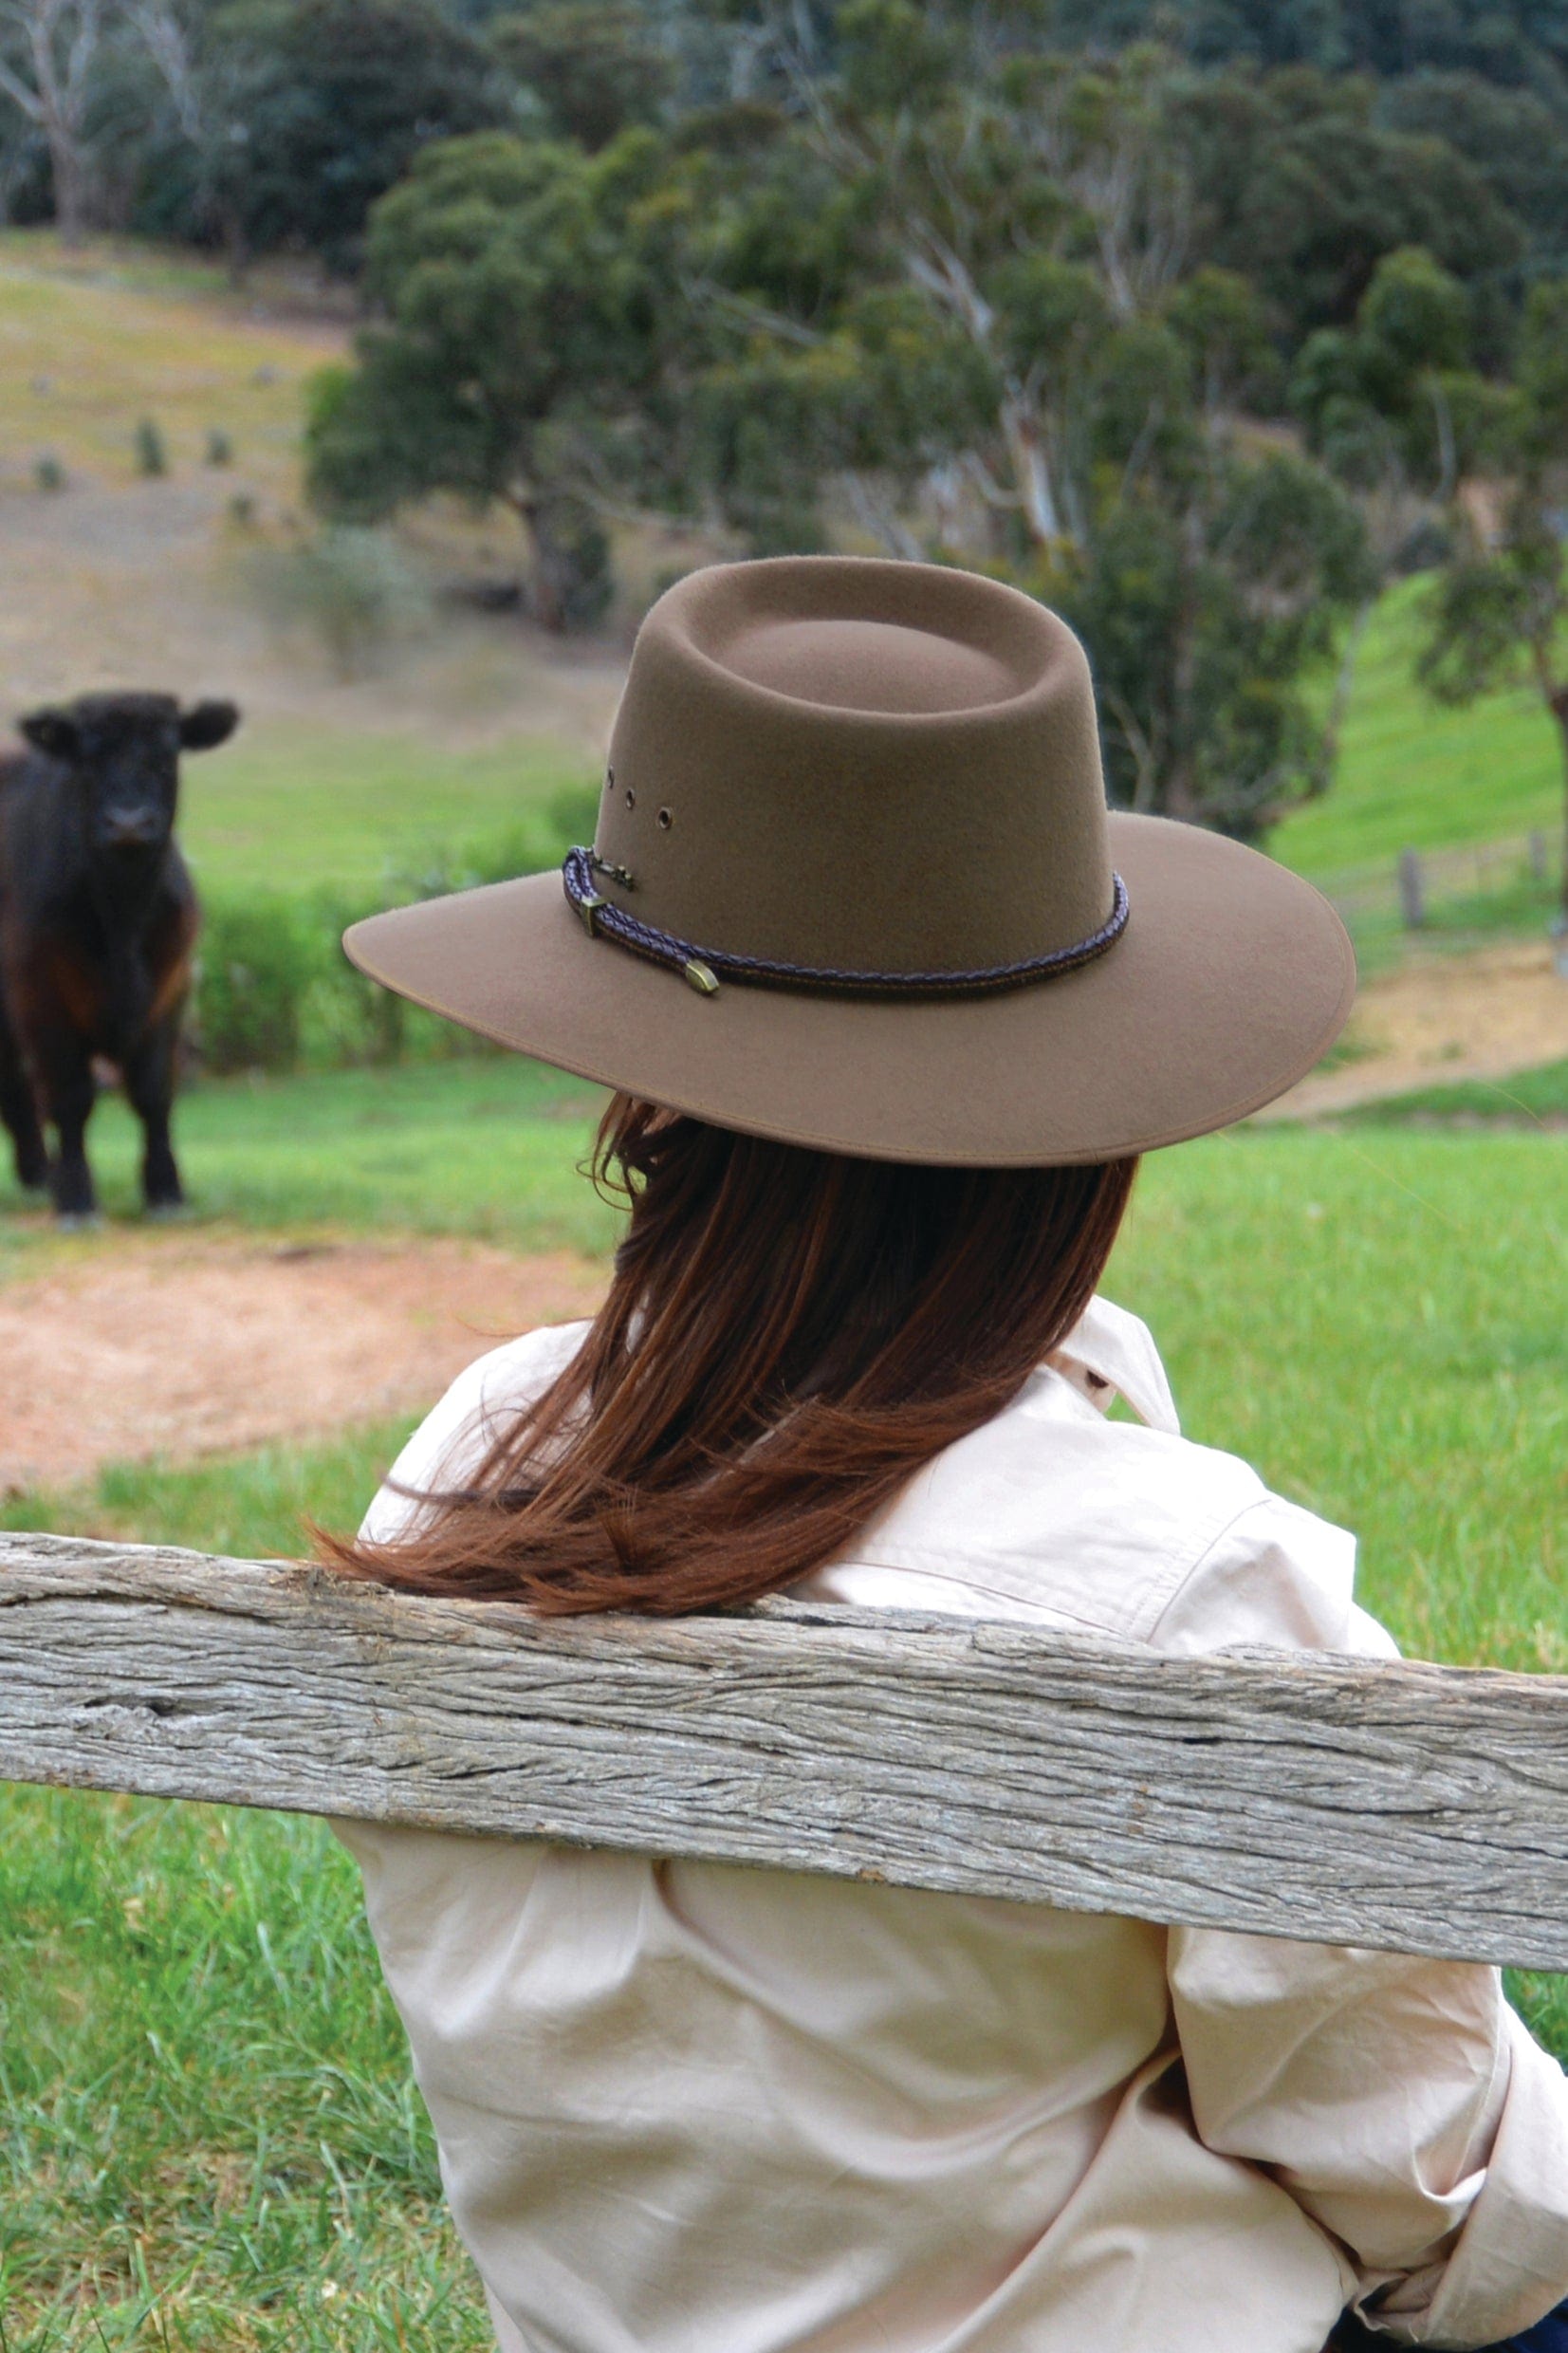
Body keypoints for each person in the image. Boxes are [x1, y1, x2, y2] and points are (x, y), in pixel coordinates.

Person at [325, 557, 1568, 2353]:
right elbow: (1443, 2197)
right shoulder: (1183, 1581)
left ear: (644, 1089)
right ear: (1077, 1123)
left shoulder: (463, 1464)